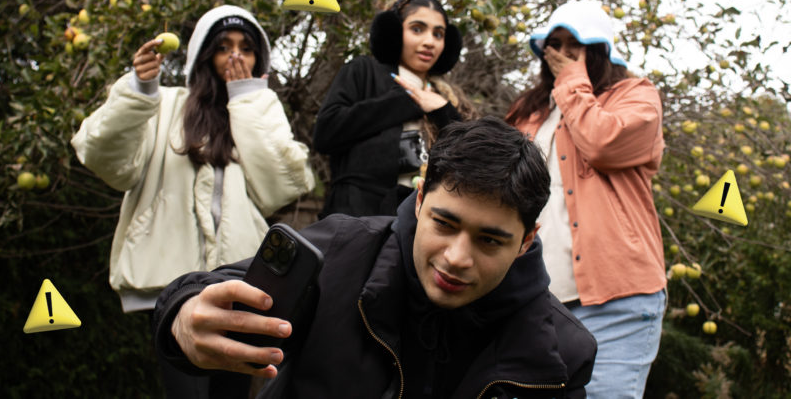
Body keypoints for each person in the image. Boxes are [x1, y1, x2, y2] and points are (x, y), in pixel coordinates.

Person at [153, 117, 597, 398]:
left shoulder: (562, 355)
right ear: (420, 199)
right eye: (444, 224)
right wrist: (183, 315)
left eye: (489, 241)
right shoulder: (341, 251)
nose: (457, 257)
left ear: (526, 240)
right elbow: (207, 292)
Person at [71, 5, 315, 313]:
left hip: (239, 282)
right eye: (224, 47)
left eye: (246, 48)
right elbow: (103, 156)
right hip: (161, 284)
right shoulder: (163, 105)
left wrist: (247, 97)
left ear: (258, 60)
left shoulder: (258, 110)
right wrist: (139, 91)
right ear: (205, 54)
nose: (236, 56)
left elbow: (284, 186)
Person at [505, 0, 666, 398]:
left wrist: (573, 83)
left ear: (598, 51)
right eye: (553, 45)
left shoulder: (636, 97)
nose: (561, 54)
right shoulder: (530, 111)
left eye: (574, 45)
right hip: (538, 300)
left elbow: (601, 143)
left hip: (617, 300)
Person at [312, 0, 477, 218]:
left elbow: (471, 162)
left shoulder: (447, 98)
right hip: (355, 217)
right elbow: (326, 132)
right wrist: (408, 101)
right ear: (394, 32)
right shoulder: (363, 71)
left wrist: (444, 112)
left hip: (417, 222)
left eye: (438, 34)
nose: (429, 41)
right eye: (417, 29)